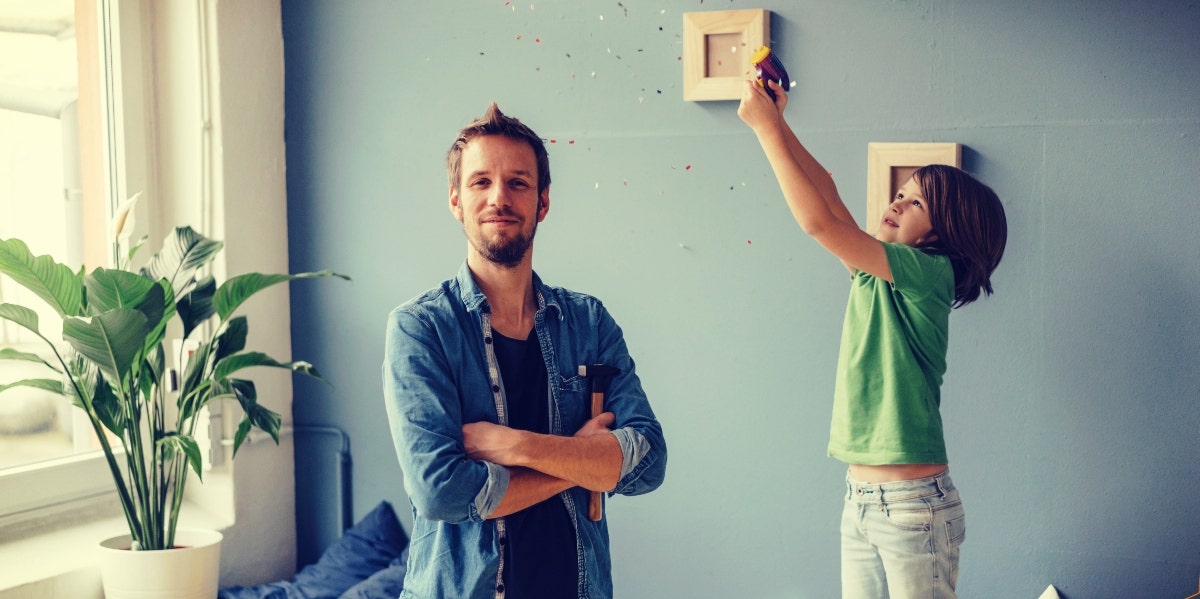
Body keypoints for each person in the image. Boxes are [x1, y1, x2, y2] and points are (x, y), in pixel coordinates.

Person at [382, 102, 667, 599]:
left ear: (543, 202)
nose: (499, 198)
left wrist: (516, 445)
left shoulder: (589, 321)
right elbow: (440, 491)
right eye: (480, 182)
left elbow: (647, 463)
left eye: (518, 182)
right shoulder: (420, 328)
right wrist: (581, 462)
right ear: (455, 200)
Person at [738, 79, 1007, 598]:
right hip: (861, 497)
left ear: (943, 236)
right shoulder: (873, 272)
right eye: (901, 194)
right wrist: (781, 124)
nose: (898, 204)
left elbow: (817, 223)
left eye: (917, 205)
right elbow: (830, 196)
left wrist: (766, 130)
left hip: (912, 506)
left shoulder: (928, 274)